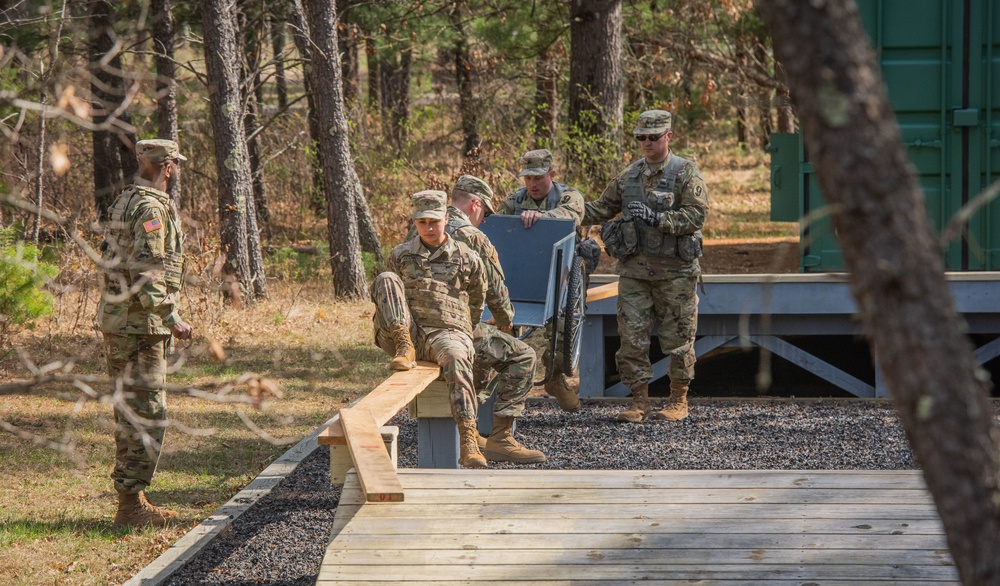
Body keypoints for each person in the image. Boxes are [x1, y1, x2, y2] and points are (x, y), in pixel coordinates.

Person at [583, 110, 709, 423]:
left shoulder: (685, 173)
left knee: (679, 340)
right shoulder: (629, 176)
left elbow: (697, 215)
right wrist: (561, 207)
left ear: (668, 136)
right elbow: (600, 208)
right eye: (641, 137)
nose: (647, 143)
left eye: (653, 137)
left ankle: (678, 400)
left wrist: (658, 219)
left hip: (675, 274)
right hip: (635, 273)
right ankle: (639, 402)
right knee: (631, 338)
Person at [97, 138, 193, 527]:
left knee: (132, 410)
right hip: (139, 326)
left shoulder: (127, 199)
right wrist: (171, 316)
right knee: (147, 413)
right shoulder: (151, 207)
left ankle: (132, 499)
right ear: (167, 166)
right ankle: (130, 508)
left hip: (124, 322)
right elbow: (147, 270)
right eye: (177, 165)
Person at [371, 190, 490, 468]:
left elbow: (477, 299)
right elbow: (391, 297)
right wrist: (404, 334)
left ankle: (469, 439)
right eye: (422, 222)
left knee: (457, 358)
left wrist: (461, 333)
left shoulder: (466, 257)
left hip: (445, 333)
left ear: (446, 219)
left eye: (434, 221)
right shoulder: (401, 255)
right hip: (407, 333)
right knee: (386, 278)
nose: (429, 227)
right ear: (415, 222)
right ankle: (404, 346)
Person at [447, 175, 545, 464]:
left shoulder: (426, 227)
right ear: (475, 204)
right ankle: (501, 439)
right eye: (485, 213)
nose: (485, 219)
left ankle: (471, 428)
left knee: (487, 344)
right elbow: (496, 290)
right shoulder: (473, 236)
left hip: (425, 331)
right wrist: (506, 321)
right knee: (523, 355)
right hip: (458, 332)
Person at [499, 149, 585, 411]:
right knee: (500, 321)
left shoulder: (568, 195)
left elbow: (572, 215)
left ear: (552, 173)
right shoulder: (514, 200)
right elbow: (498, 226)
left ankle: (556, 377)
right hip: (521, 274)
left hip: (560, 275)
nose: (533, 184)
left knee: (564, 324)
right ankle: (506, 384)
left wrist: (540, 218)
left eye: (538, 177)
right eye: (528, 178)